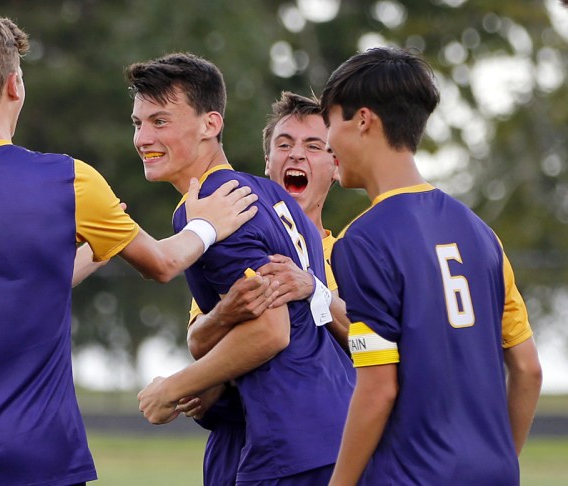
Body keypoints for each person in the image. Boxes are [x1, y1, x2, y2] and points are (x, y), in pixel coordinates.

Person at [0, 13, 258, 486]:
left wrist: (97, 251)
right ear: (15, 84)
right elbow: (162, 264)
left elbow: (1, 284)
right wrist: (205, 225)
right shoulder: (67, 180)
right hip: (36, 450)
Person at [318, 46, 543, 485]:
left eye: (330, 121)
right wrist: (498, 463)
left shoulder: (362, 241)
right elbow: (529, 369)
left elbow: (378, 388)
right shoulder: (483, 236)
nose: (327, 142)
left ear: (363, 120)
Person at [128, 53, 355, 485]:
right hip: (334, 429)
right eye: (138, 123)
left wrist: (171, 390)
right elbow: (216, 338)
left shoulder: (212, 207)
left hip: (289, 443)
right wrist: (224, 320)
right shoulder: (275, 198)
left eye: (160, 122)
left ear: (210, 125)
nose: (143, 138)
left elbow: (272, 332)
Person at [180, 92, 354, 486]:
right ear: (267, 163)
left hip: (319, 443)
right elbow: (199, 338)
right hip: (236, 442)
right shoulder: (239, 245)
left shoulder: (349, 253)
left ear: (336, 166)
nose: (296, 155)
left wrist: (313, 290)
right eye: (284, 144)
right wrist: (223, 323)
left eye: (314, 146)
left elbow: (372, 342)